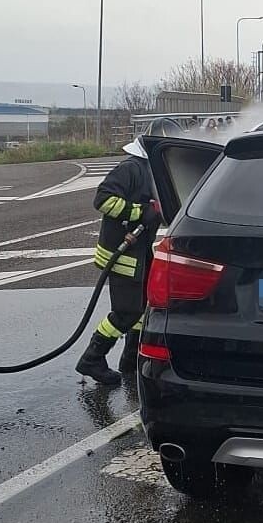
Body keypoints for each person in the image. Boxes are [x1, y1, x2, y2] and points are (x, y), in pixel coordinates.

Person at [75, 120, 179, 386]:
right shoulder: (131, 168)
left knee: (142, 307)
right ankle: (92, 358)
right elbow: (103, 199)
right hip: (120, 255)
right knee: (126, 311)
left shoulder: (153, 172)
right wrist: (138, 213)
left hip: (139, 252)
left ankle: (131, 359)